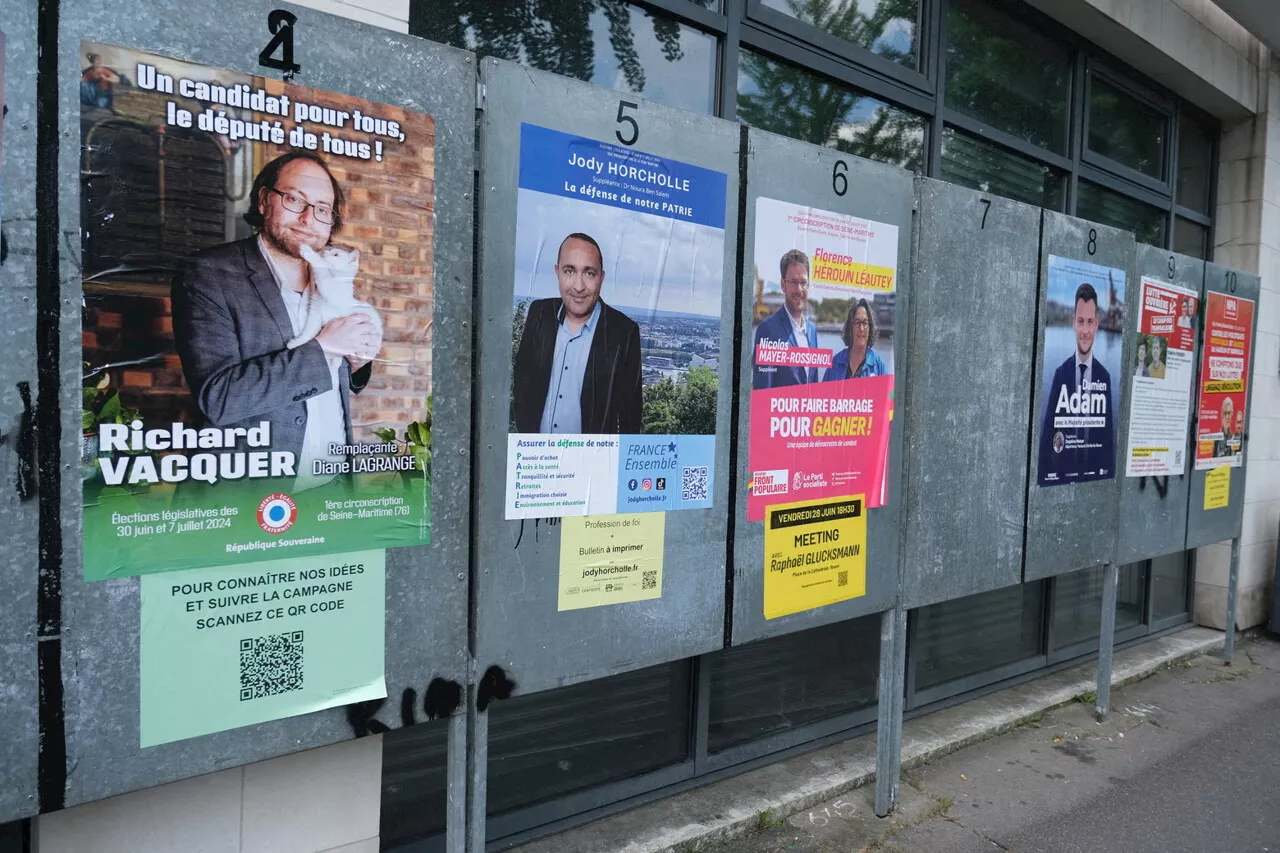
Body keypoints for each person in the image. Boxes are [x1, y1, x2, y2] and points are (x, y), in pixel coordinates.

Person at [172, 150, 382, 488]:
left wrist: (357, 363)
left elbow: (337, 369)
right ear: (264, 200)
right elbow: (218, 398)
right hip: (245, 498)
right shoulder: (209, 272)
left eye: (322, 210)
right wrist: (324, 348)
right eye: (295, 200)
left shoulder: (331, 274)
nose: (308, 219)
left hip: (331, 490)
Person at [511, 233, 643, 434]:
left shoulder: (624, 333)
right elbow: (521, 383)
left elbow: (630, 416)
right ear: (557, 272)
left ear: (602, 278)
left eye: (589, 273)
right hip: (535, 460)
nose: (579, 286)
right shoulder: (539, 314)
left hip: (591, 462)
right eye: (569, 271)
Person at [1037, 282, 1116, 484]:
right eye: (1081, 321)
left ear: (1097, 324)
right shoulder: (1060, 375)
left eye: (1090, 322)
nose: (1085, 331)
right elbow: (1047, 437)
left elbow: (1107, 441)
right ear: (1073, 323)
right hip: (1062, 477)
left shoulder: (1104, 377)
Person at [753, 249, 818, 389]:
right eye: (794, 282)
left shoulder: (812, 331)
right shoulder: (768, 330)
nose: (799, 289)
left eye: (803, 282)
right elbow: (763, 392)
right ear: (783, 285)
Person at [823, 299, 886, 381]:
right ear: (850, 327)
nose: (861, 328)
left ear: (870, 327)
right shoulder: (835, 363)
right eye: (857, 323)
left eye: (865, 323)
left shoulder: (879, 365)